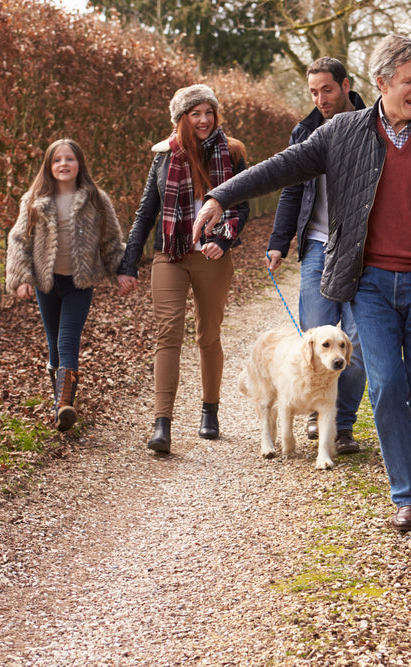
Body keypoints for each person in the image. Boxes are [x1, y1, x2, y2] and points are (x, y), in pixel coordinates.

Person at [194, 34, 411, 530]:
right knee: (386, 386)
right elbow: (280, 168)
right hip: (368, 285)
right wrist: (221, 196)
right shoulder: (341, 132)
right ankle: (408, 492)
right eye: (409, 81)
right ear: (382, 82)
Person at [116, 85, 249, 454]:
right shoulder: (163, 157)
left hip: (212, 257)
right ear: (181, 119)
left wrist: (223, 241)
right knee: (168, 334)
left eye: (209, 112)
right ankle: (162, 423)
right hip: (169, 255)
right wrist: (129, 263)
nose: (204, 119)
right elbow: (146, 212)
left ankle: (210, 410)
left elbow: (241, 207)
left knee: (208, 334)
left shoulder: (232, 152)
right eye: (196, 113)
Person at [265, 56, 367, 455]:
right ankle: (314, 410)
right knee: (315, 339)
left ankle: (340, 425)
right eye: (313, 92)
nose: (320, 98)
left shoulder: (372, 124)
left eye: (326, 89)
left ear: (345, 85)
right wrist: (279, 241)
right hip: (317, 246)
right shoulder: (305, 130)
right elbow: (291, 187)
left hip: (362, 249)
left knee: (355, 342)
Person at [6, 138, 124, 432]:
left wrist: (121, 272)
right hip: (47, 284)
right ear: (49, 166)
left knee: (67, 339)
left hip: (79, 283)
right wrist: (21, 277)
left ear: (79, 163)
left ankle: (63, 408)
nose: (63, 165)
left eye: (69, 159)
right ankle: (60, 402)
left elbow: (110, 240)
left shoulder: (96, 199)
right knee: (53, 344)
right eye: (57, 160)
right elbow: (19, 240)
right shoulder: (34, 200)